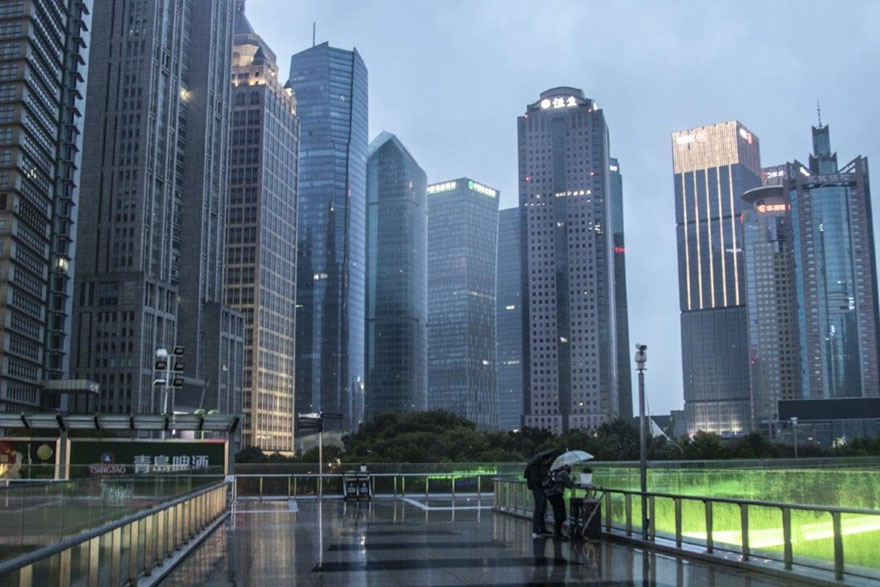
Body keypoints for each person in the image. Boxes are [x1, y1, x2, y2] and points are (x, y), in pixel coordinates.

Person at [543, 464, 576, 540]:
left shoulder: (554, 472)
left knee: (557, 513)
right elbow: (569, 485)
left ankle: (557, 533)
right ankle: (557, 533)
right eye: (569, 466)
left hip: (550, 494)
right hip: (556, 494)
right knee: (562, 515)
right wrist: (573, 480)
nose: (570, 467)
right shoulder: (564, 473)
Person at [524, 457, 553, 538]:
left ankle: (542, 528)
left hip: (541, 489)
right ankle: (535, 530)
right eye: (548, 459)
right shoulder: (537, 468)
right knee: (538, 509)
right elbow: (537, 479)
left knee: (543, 509)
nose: (549, 460)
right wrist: (546, 476)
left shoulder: (542, 467)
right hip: (538, 488)